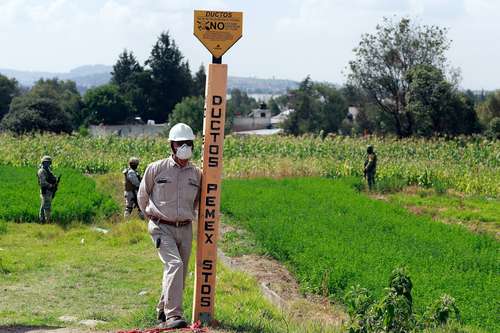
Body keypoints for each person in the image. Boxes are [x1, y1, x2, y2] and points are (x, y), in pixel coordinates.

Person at [137, 123, 201, 329]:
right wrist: (150, 217)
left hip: (185, 228)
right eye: (181, 143)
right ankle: (173, 316)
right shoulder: (156, 168)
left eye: (189, 143)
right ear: (172, 146)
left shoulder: (197, 174)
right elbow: (142, 195)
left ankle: (162, 309)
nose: (185, 147)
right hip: (160, 226)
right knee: (175, 265)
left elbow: (199, 201)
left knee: (179, 273)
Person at [37, 156, 58, 223]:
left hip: (49, 191)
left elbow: (51, 177)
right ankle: (48, 221)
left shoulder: (48, 170)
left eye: (49, 162)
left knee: (43, 205)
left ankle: (42, 220)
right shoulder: (41, 171)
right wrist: (51, 186)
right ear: (43, 163)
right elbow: (43, 182)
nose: (48, 164)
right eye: (46, 162)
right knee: (47, 207)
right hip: (45, 191)